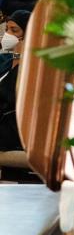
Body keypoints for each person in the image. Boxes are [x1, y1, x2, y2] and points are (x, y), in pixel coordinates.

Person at [0, 10, 30, 151]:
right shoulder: (3, 60)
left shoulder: (32, 65)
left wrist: (19, 57)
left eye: (14, 30)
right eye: (6, 29)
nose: (8, 34)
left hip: (10, 126)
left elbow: (12, 97)